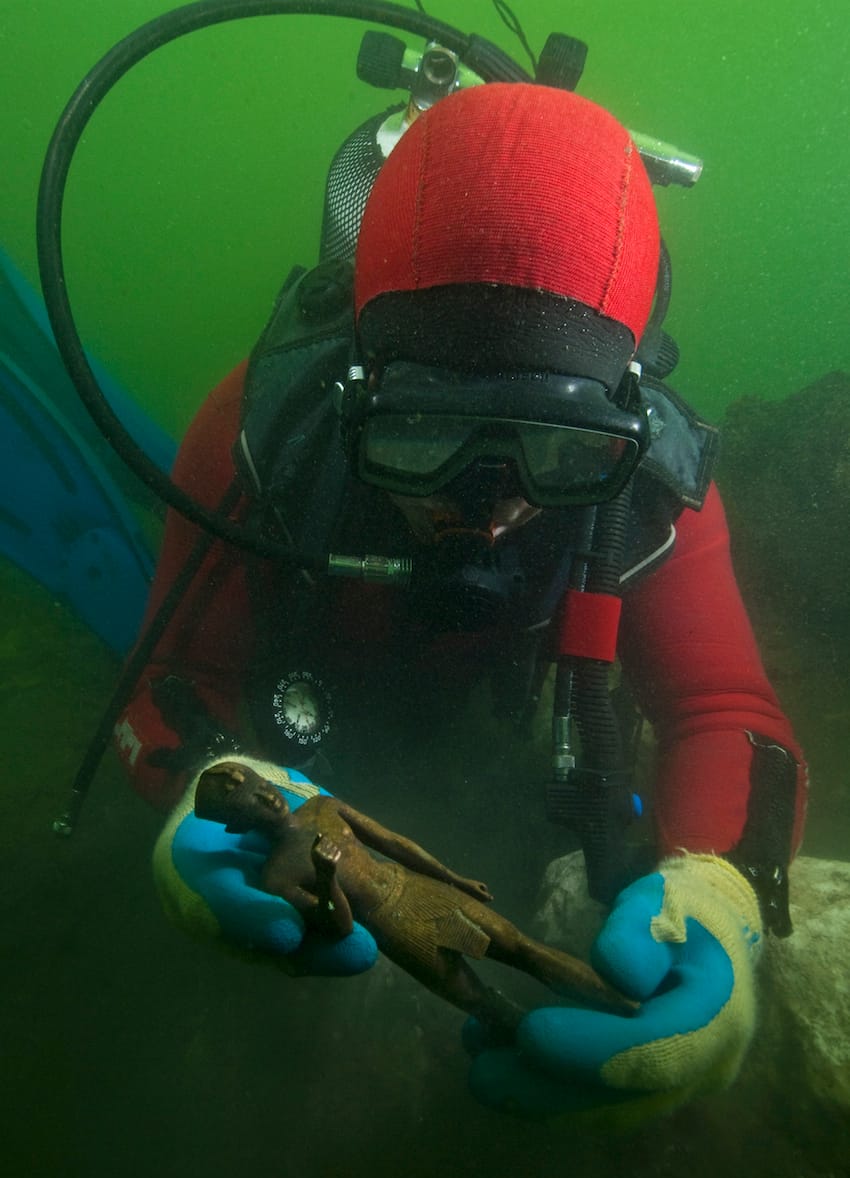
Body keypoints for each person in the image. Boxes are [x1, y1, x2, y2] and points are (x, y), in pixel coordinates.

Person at [119, 82, 807, 1120]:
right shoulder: (264, 434)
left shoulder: (654, 484)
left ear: (622, 418)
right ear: (359, 392)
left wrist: (719, 897)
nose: (485, 516)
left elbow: (721, 709)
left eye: (562, 450)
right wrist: (197, 787)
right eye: (423, 443)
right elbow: (177, 682)